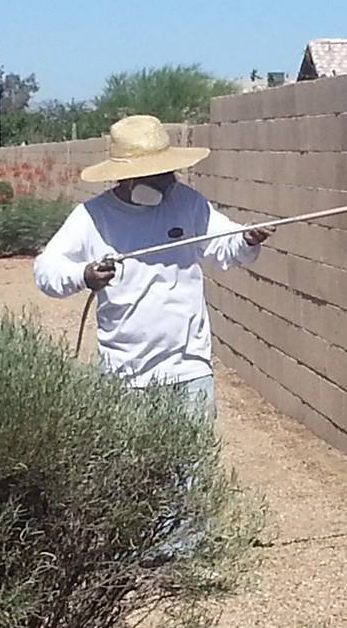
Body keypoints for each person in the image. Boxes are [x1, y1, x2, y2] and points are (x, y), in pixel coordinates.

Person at [33, 114, 273, 420]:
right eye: (158, 174)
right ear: (129, 178)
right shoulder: (92, 217)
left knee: (193, 465)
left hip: (189, 367)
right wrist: (83, 276)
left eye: (168, 171)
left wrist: (246, 240)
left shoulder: (186, 202)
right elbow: (46, 270)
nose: (169, 181)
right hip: (126, 375)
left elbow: (224, 245)